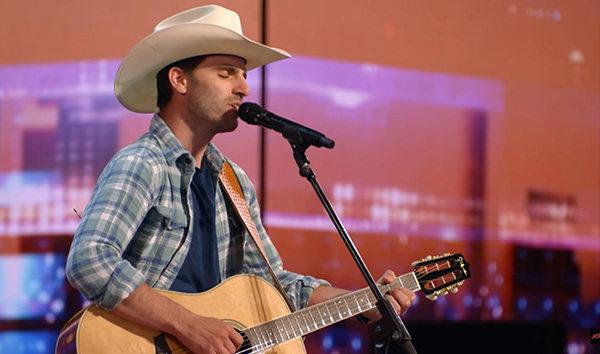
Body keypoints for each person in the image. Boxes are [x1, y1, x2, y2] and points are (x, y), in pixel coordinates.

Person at [65, 5, 415, 354]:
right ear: (179, 79)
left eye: (243, 75)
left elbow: (272, 287)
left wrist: (364, 301)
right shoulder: (143, 164)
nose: (244, 88)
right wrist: (189, 325)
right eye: (226, 73)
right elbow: (89, 259)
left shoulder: (233, 182)